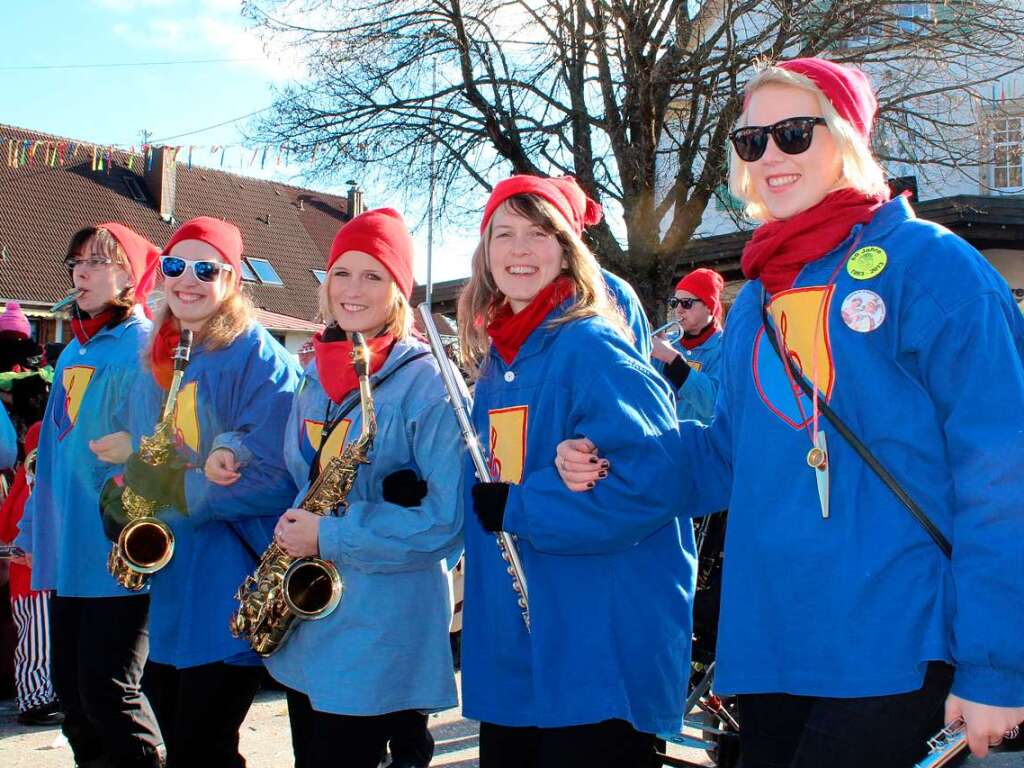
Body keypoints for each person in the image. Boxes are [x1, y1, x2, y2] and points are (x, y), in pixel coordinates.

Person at [554, 57, 1024, 767]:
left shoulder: (932, 266)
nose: (771, 155)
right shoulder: (755, 299)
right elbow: (723, 454)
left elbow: (1003, 476)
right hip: (773, 644)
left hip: (897, 643)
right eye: (752, 141)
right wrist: (611, 463)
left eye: (795, 133)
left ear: (847, 139)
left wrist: (997, 665)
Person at [459, 174, 696, 767]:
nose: (518, 250)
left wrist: (521, 507)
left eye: (539, 234)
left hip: (595, 654)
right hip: (524, 652)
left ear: (567, 248)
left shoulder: (592, 345)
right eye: (503, 234)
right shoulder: (501, 357)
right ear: (485, 252)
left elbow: (654, 484)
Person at [252, 207, 462, 768]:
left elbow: (448, 523)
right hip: (311, 627)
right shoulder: (316, 373)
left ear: (399, 289)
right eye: (342, 272)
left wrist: (333, 537)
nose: (352, 289)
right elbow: (300, 478)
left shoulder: (429, 384)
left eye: (374, 275)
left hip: (381, 635)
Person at [98, 216, 301, 768]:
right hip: (170, 590)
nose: (186, 279)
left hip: (229, 591)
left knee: (202, 749)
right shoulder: (158, 357)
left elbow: (275, 479)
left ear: (232, 279)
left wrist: (178, 491)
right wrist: (123, 497)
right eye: (174, 266)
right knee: (187, 744)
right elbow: (147, 455)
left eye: (206, 268)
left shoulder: (260, 358)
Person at [15, 223, 163, 768]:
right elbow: (49, 458)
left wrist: (139, 446)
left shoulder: (147, 347)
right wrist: (32, 532)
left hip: (117, 550)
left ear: (132, 276)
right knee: (72, 697)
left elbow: (174, 442)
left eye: (98, 262)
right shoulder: (74, 353)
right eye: (77, 261)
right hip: (67, 549)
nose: (81, 272)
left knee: (109, 691)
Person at [0, 421, 62, 725]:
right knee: (37, 643)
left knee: (38, 641)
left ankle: (41, 696)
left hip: (31, 579)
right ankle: (35, 700)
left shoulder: (24, 482)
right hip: (33, 579)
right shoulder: (35, 482)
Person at [651, 268, 726, 424]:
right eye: (675, 303)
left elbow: (712, 405)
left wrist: (673, 360)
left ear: (708, 307)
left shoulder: (724, 348)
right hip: (663, 439)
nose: (678, 310)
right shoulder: (667, 343)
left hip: (703, 444)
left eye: (686, 303)